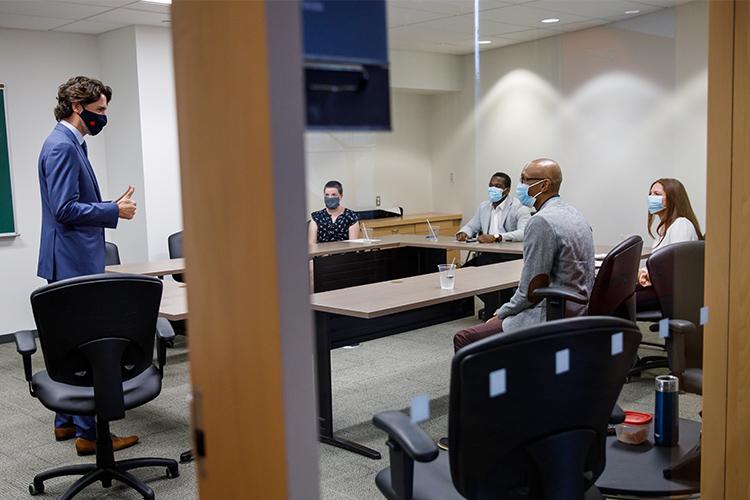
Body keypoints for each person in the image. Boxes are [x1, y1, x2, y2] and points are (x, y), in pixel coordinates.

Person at [37, 76, 138, 456]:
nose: (103, 118)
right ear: (77, 107)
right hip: (73, 260)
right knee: (84, 348)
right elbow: (64, 210)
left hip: (70, 255)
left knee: (69, 342)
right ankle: (90, 435)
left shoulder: (67, 142)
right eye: (99, 111)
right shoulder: (62, 147)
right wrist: (113, 210)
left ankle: (65, 423)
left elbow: (70, 203)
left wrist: (108, 205)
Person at [452, 159, 595, 350]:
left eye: (525, 180)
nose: (520, 186)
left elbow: (530, 291)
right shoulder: (574, 213)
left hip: (549, 311)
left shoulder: (541, 221)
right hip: (578, 307)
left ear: (544, 185)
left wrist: (501, 313)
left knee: (464, 338)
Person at [455, 172, 531, 320]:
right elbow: (472, 225)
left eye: (498, 186)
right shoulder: (484, 207)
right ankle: (497, 306)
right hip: (487, 254)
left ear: (507, 190)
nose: (493, 189)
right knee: (464, 275)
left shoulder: (519, 207)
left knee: (489, 275)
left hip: (509, 257)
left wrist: (497, 237)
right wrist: (464, 232)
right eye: (491, 185)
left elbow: (524, 232)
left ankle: (496, 310)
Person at [637, 178, 703, 309]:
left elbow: (674, 268)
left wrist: (643, 273)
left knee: (617, 302)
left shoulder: (681, 224)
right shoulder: (664, 229)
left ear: (673, 198)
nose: (651, 198)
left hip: (672, 295)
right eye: (650, 194)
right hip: (662, 290)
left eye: (657, 194)